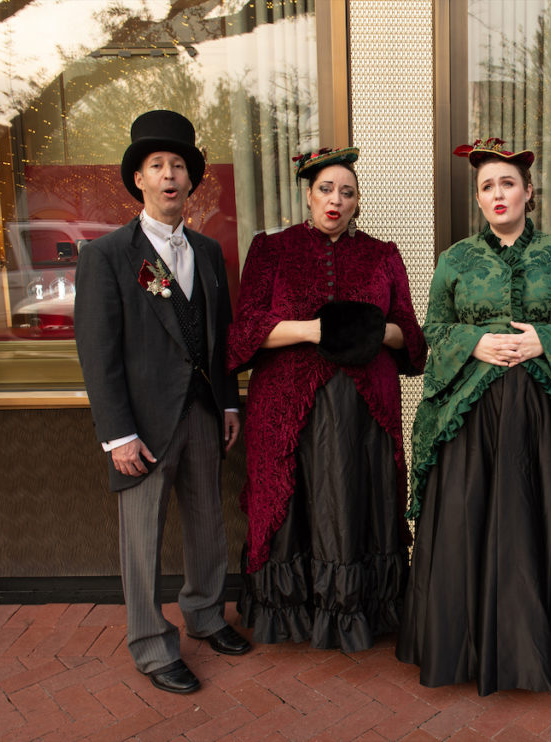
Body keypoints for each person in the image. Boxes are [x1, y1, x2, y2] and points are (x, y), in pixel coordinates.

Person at [397, 138, 551, 696]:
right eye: (487, 187)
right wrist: (476, 343)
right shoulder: (455, 259)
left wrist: (544, 340)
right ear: (478, 199)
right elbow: (433, 332)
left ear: (528, 192)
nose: (498, 195)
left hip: (543, 419)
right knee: (471, 520)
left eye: (507, 184)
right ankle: (465, 647)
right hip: (473, 421)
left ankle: (548, 645)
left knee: (540, 520)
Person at [74, 110, 250, 695]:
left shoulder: (206, 251)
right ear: (140, 180)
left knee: (208, 527)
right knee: (143, 539)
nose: (170, 175)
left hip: (202, 413)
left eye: (178, 165)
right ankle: (151, 645)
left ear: (190, 179)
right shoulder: (106, 256)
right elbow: (99, 353)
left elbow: (219, 336)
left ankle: (204, 614)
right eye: (158, 166)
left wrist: (228, 403)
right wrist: (116, 434)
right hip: (144, 425)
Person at [226, 146, 427, 652]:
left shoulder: (384, 255)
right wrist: (316, 329)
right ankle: (293, 612)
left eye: (347, 192)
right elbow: (246, 334)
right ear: (307, 194)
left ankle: (357, 608)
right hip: (287, 404)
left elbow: (411, 336)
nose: (335, 200)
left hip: (364, 408)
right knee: (293, 500)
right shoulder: (271, 250)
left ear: (358, 203)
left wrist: (372, 332)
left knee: (354, 500)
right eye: (325, 189)